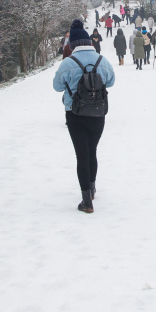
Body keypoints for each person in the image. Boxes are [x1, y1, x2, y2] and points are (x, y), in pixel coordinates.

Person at [52, 20, 116, 213]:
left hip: (75, 113)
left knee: (82, 155)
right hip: (98, 113)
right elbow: (111, 82)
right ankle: (93, 187)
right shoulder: (101, 60)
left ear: (72, 44)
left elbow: (57, 87)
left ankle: (86, 200)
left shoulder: (68, 63)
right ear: (88, 42)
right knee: (92, 151)